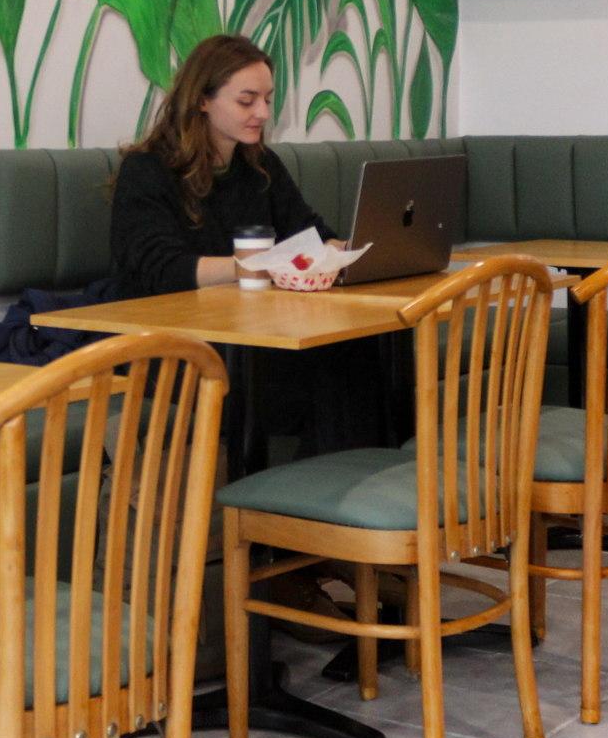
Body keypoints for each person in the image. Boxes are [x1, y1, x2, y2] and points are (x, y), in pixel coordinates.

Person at [110, 33, 396, 456]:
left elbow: (310, 232)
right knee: (335, 371)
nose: (262, 112)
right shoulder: (147, 172)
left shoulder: (259, 165)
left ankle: (349, 493)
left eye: (267, 98)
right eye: (247, 101)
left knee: (363, 352)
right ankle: (321, 500)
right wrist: (251, 265)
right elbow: (163, 271)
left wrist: (349, 249)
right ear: (202, 100)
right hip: (176, 349)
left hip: (252, 337)